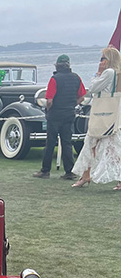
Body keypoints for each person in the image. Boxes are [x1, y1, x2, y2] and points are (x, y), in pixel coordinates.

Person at [72, 46, 121, 189]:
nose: (100, 62)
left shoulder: (109, 73)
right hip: (111, 114)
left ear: (109, 60)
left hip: (102, 114)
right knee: (103, 145)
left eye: (103, 58)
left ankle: (86, 175)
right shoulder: (117, 74)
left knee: (99, 144)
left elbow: (93, 88)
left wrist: (98, 74)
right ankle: (86, 174)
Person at [33, 54, 86, 180]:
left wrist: (48, 110)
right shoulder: (76, 78)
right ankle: (69, 172)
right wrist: (71, 105)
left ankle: (45, 171)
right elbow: (82, 97)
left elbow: (49, 100)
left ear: (57, 65)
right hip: (69, 114)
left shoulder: (54, 79)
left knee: (50, 143)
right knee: (67, 143)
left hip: (55, 115)